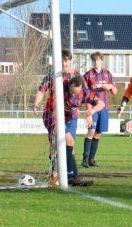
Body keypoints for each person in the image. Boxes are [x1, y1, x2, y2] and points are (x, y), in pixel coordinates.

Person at [33, 50, 98, 186]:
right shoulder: (52, 75)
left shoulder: (77, 76)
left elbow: (86, 95)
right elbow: (41, 90)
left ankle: (70, 175)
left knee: (70, 144)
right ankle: (57, 174)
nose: (64, 63)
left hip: (71, 116)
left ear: (70, 61)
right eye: (61, 61)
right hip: (53, 114)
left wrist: (89, 112)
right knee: (56, 144)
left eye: (66, 61)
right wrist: (37, 103)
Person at [81, 52, 117, 168]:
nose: (96, 62)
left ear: (101, 61)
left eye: (98, 60)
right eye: (94, 60)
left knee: (98, 133)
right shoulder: (87, 75)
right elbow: (85, 95)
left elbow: (115, 92)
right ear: (92, 61)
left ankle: (91, 159)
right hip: (93, 108)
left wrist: (111, 87)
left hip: (104, 107)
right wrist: (88, 112)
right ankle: (85, 159)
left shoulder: (107, 74)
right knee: (91, 132)